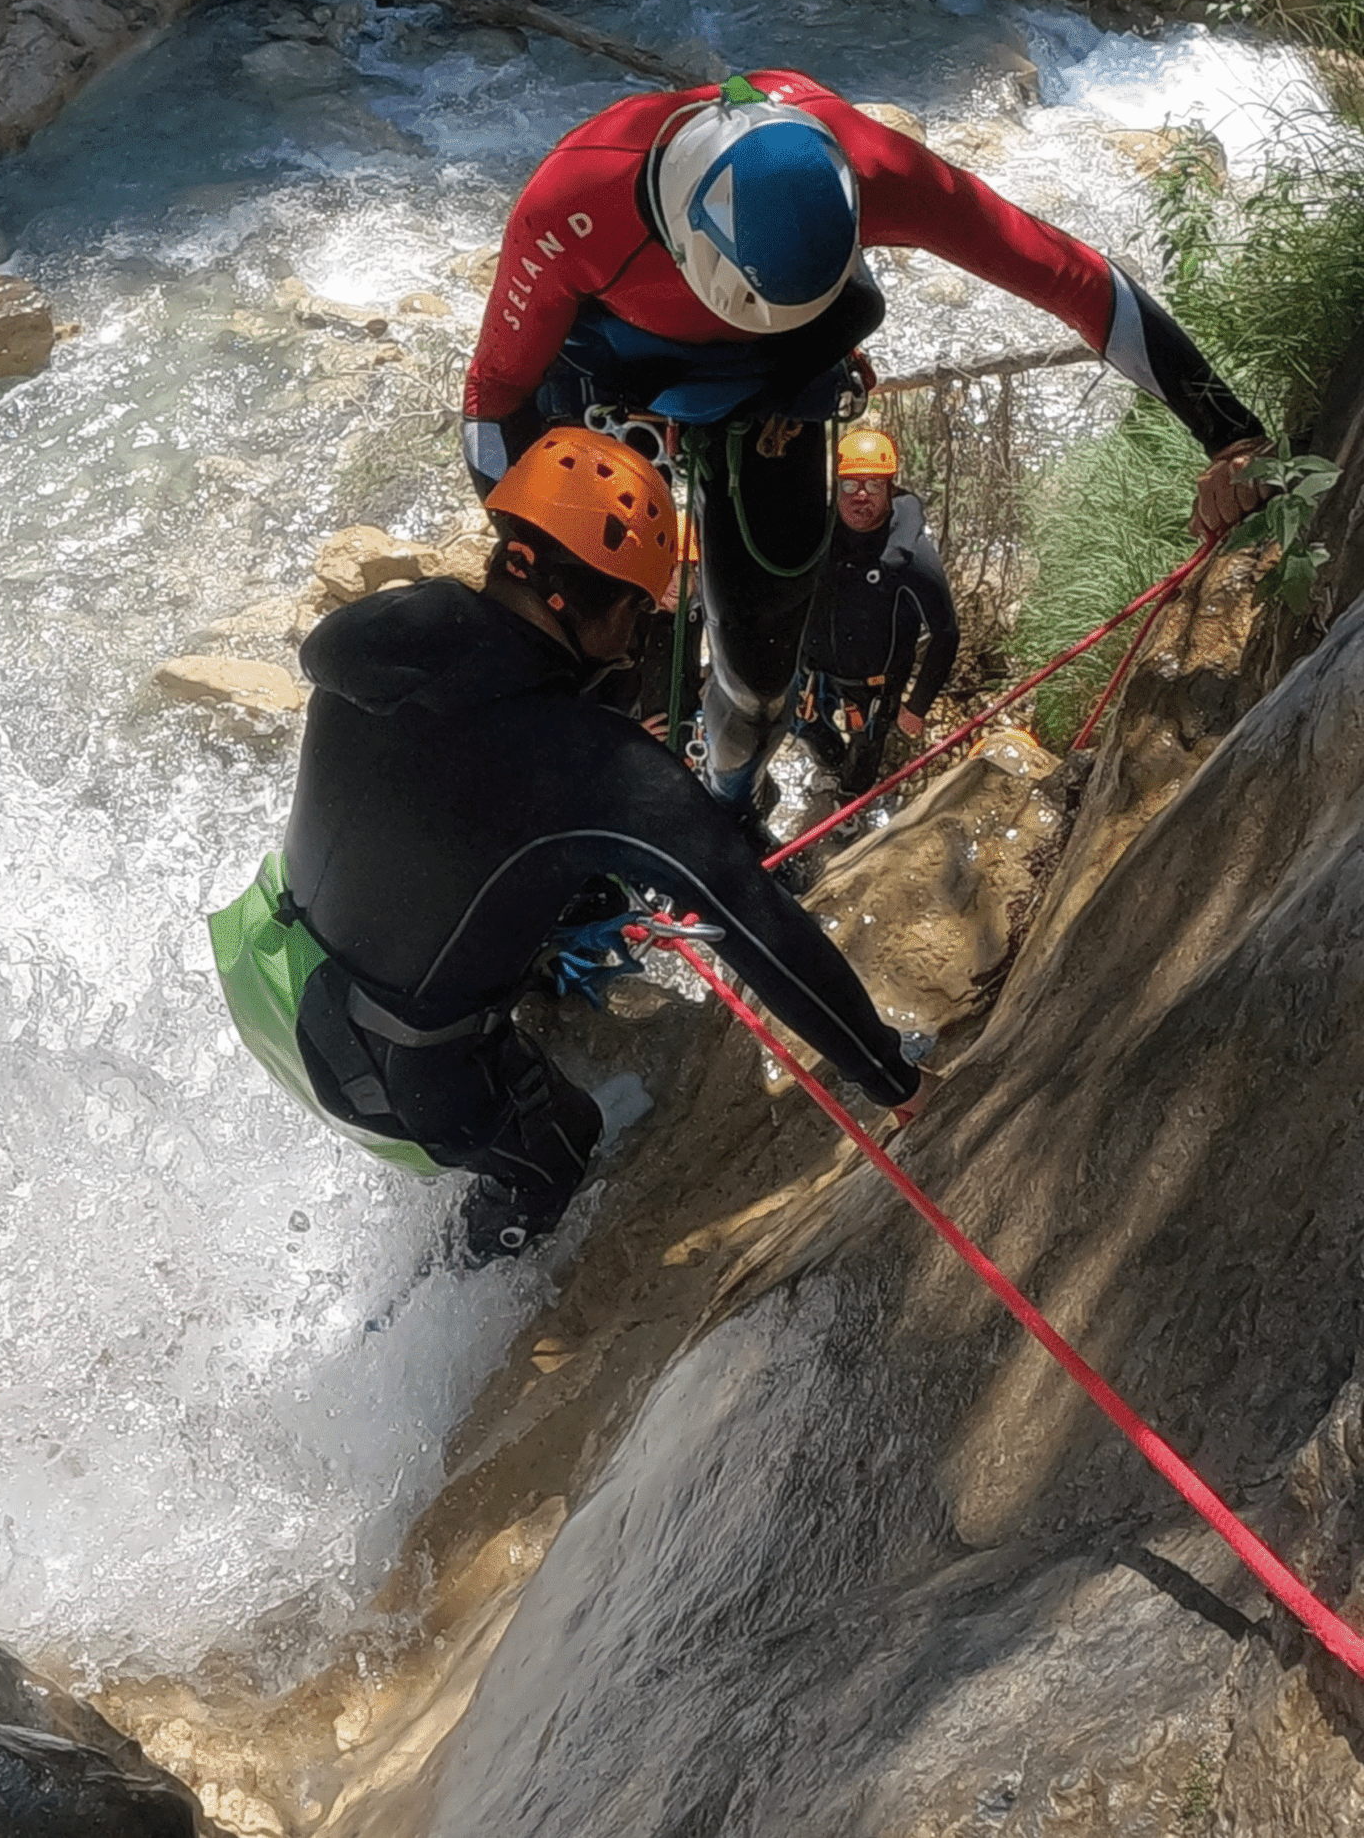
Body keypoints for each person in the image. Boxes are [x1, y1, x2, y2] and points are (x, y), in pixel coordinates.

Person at [460, 69, 1268, 840]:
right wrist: (527, 563)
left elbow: (1067, 276)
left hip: (781, 392)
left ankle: (730, 804)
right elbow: (495, 392)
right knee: (584, 629)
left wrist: (1230, 432)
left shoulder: (872, 164)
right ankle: (582, 802)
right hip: (617, 382)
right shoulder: (576, 201)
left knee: (762, 657)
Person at [245, 427, 924, 1265]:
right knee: (565, 1140)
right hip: (396, 1074)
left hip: (276, 968)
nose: (643, 633)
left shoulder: (381, 627)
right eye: (639, 609)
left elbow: (408, 709)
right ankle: (458, 1289)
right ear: (596, 604)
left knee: (571, 891)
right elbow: (754, 922)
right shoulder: (591, 766)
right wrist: (891, 1076)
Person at [793, 426, 960, 799]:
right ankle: (831, 770)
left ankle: (850, 803)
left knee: (864, 750)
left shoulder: (909, 557)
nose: (860, 496)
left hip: (875, 683)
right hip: (817, 669)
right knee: (803, 725)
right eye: (850, 486)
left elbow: (945, 633)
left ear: (891, 489)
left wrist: (916, 706)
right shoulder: (820, 533)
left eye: (873, 485)